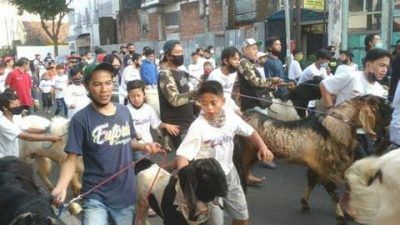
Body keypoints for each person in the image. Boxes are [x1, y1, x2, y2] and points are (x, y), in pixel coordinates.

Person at [51, 62, 163, 225]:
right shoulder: (80, 120)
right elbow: (71, 159)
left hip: (125, 194)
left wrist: (144, 146)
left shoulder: (124, 111)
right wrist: (61, 186)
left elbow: (127, 141)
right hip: (95, 195)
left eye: (108, 83)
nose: (104, 90)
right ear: (87, 86)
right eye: (97, 84)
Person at [174, 81, 274, 225]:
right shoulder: (198, 127)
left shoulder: (230, 116)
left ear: (223, 101)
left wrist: (263, 147)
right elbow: (182, 156)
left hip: (229, 173)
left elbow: (250, 131)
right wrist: (187, 183)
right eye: (204, 103)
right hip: (208, 179)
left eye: (213, 103)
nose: (209, 108)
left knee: (242, 218)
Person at [320, 48, 390, 159]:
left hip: (363, 134)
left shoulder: (379, 90)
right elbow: (324, 85)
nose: (385, 70)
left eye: (387, 66)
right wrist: (330, 108)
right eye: (381, 65)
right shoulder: (352, 76)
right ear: (368, 65)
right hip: (342, 130)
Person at [158, 40, 197, 150]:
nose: (181, 55)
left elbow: (186, 92)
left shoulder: (181, 71)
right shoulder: (165, 74)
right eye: (177, 52)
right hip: (176, 125)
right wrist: (195, 94)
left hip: (188, 120)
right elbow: (174, 99)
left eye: (182, 52)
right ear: (168, 55)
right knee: (186, 158)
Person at [0, 89, 61, 158]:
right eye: (16, 105)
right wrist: (49, 137)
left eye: (19, 104)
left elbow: (28, 129)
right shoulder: (3, 123)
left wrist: (46, 129)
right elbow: (25, 136)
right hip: (4, 158)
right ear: (5, 108)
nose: (19, 107)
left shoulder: (15, 118)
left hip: (13, 155)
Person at [126, 80, 179, 158]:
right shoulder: (125, 110)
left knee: (146, 165)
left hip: (148, 144)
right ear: (128, 97)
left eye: (138, 95)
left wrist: (167, 126)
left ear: (144, 94)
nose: (136, 99)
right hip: (135, 147)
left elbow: (156, 123)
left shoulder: (148, 108)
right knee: (139, 166)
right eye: (132, 96)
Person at [238, 38, 281, 111]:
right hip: (253, 106)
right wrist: (271, 81)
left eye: (257, 49)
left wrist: (269, 87)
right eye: (254, 49)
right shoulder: (244, 62)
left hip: (258, 103)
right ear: (245, 50)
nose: (256, 51)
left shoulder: (250, 63)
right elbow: (255, 82)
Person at [207, 46, 241, 113]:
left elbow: (227, 97)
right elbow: (215, 99)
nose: (238, 62)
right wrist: (236, 110)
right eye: (234, 59)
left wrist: (236, 108)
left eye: (238, 59)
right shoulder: (215, 76)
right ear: (225, 61)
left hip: (228, 105)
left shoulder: (233, 73)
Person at [140, 48, 160, 116]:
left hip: (155, 87)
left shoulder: (153, 64)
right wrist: (151, 83)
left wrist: (157, 83)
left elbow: (156, 74)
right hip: (148, 87)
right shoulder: (143, 65)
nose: (152, 58)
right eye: (150, 56)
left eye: (153, 56)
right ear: (146, 56)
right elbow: (144, 76)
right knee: (151, 105)